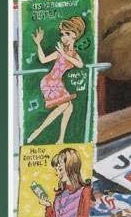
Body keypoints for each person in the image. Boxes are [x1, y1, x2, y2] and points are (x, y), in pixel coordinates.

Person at [27, 16, 87, 144]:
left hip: (58, 83)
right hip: (49, 82)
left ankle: (60, 139)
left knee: (69, 108)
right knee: (65, 105)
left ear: (75, 35)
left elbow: (80, 64)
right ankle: (38, 130)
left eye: (67, 34)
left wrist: (64, 55)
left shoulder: (72, 54)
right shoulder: (59, 52)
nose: (63, 37)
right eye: (62, 34)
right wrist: (38, 44)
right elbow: (43, 60)